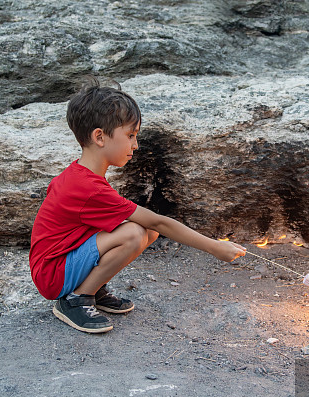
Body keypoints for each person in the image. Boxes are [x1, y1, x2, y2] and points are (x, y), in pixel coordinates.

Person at [29, 82, 246, 333]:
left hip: (61, 262)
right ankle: (76, 299)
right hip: (52, 274)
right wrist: (214, 247)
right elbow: (158, 221)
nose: (136, 145)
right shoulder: (87, 187)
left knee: (145, 230)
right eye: (130, 135)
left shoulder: (81, 175)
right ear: (99, 136)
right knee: (135, 233)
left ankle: (91, 287)